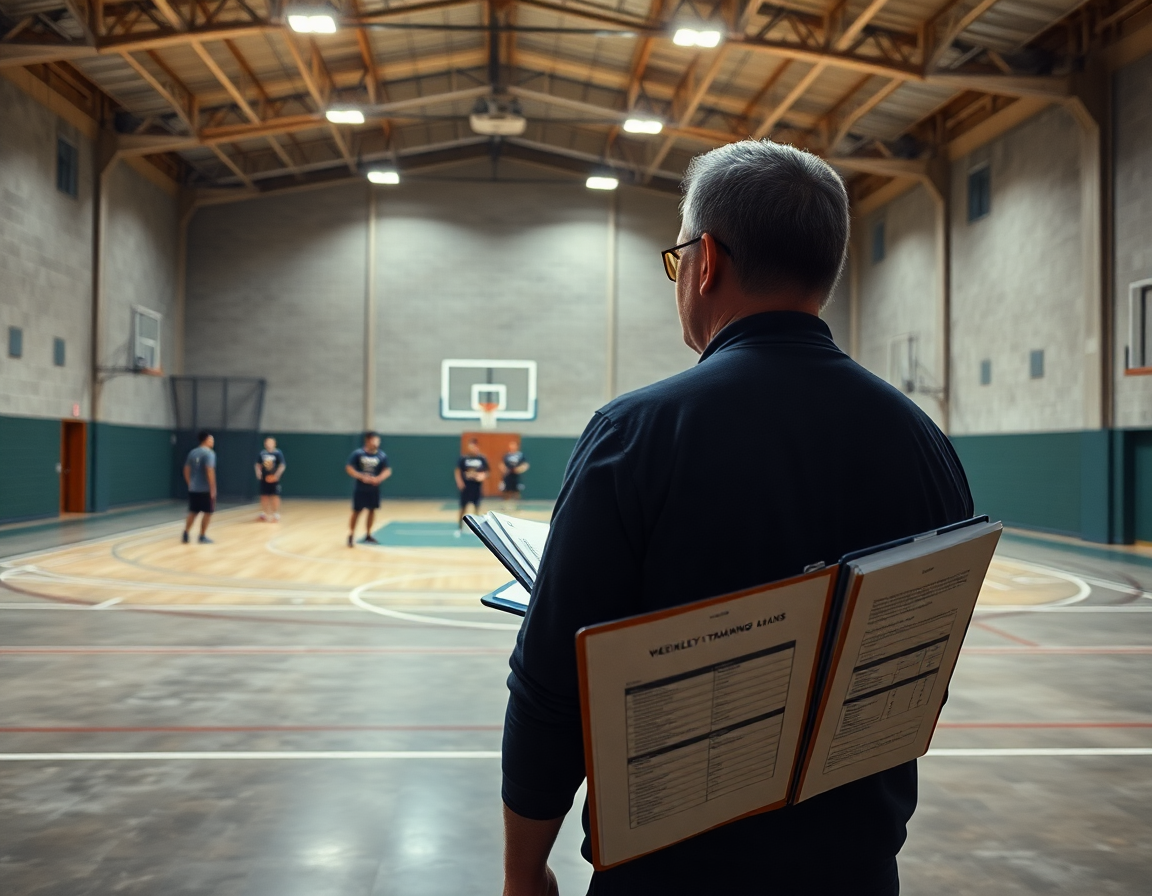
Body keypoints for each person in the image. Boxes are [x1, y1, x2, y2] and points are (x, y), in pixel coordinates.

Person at [500, 140, 973, 896]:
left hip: (667, 876)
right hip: (853, 872)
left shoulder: (636, 434)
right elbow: (920, 680)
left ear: (706, 260)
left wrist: (525, 871)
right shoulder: (926, 446)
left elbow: (551, 685)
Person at [345, 431, 391, 547]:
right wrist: (361, 476)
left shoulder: (381, 455)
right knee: (357, 512)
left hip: (374, 489)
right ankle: (351, 535)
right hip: (360, 489)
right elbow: (349, 468)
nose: (377, 442)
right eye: (375, 440)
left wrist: (379, 478)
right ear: (368, 440)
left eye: (378, 440)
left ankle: (368, 535)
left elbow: (387, 470)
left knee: (372, 510)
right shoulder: (358, 454)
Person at [182, 430, 217, 545]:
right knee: (208, 512)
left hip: (194, 489)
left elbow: (186, 469)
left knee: (193, 511)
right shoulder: (209, 453)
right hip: (205, 489)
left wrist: (190, 483)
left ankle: (186, 533)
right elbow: (209, 471)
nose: (213, 441)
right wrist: (212, 488)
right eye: (211, 439)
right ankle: (202, 536)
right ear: (206, 440)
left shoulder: (193, 452)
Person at [454, 438, 489, 533]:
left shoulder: (482, 459)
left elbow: (486, 472)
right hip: (466, 487)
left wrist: (482, 476)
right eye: (471, 446)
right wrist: (460, 483)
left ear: (477, 447)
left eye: (474, 446)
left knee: (477, 508)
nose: (472, 448)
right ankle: (460, 528)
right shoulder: (464, 459)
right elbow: (457, 471)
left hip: (476, 487)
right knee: (463, 508)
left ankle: (478, 530)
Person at [254, 436, 286, 521]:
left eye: (270, 442)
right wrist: (258, 473)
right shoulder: (262, 453)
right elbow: (258, 465)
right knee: (264, 496)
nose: (269, 444)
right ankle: (264, 513)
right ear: (265, 444)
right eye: (267, 442)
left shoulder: (278, 453)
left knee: (275, 496)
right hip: (264, 478)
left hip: (274, 479)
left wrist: (276, 475)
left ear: (274, 444)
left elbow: (282, 465)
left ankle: (275, 514)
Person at [500, 441, 530, 505]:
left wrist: (519, 469)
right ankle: (506, 505)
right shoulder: (507, 455)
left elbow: (525, 465)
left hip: (516, 476)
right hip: (508, 476)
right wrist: (504, 469)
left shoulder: (520, 455)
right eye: (511, 445)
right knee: (506, 491)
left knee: (517, 491)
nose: (512, 447)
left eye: (514, 445)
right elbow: (502, 464)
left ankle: (517, 506)